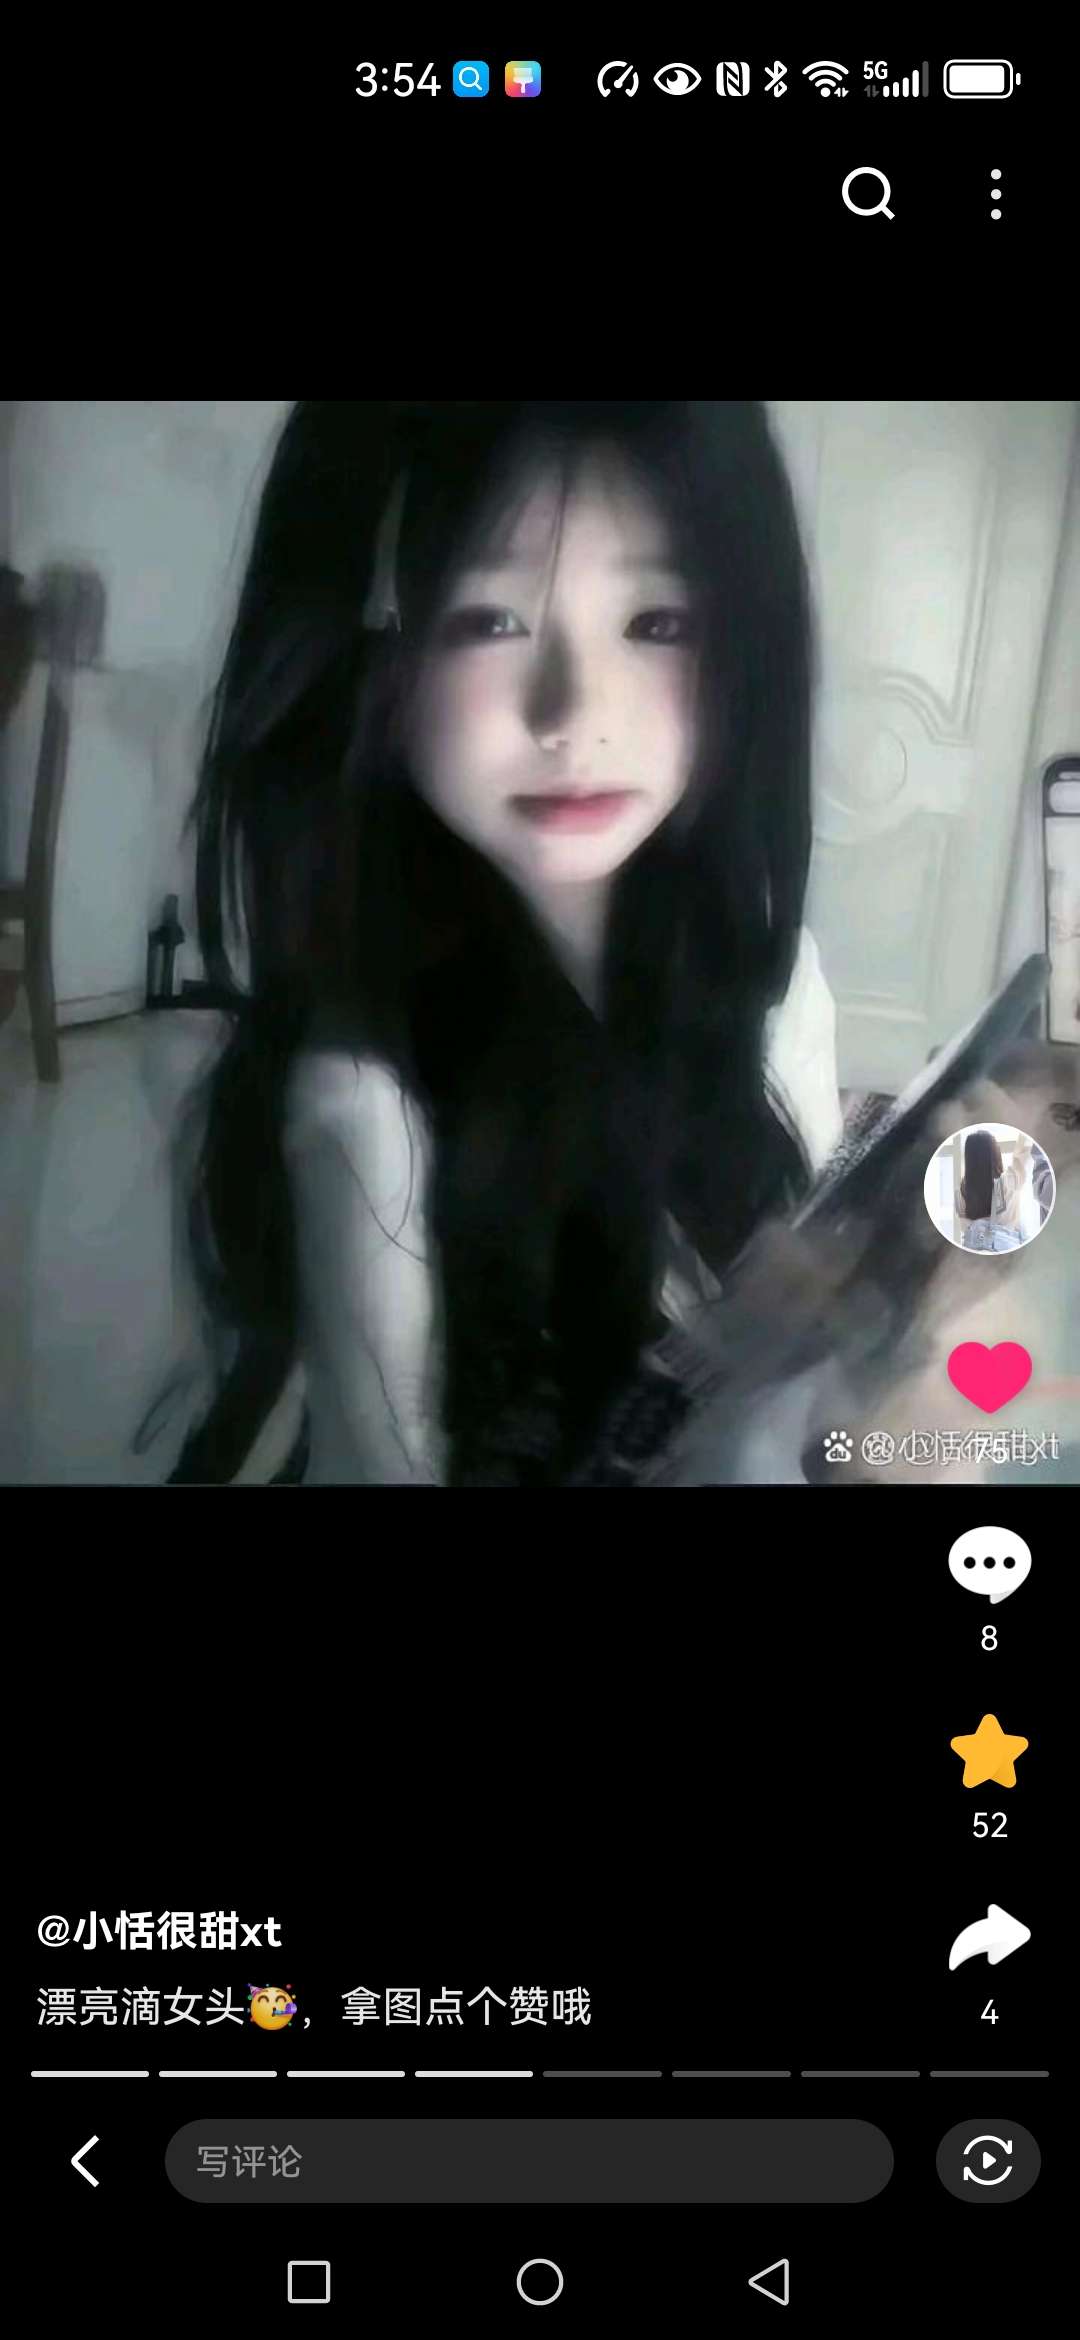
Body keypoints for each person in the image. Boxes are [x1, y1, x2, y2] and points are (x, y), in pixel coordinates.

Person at [153, 401, 849, 1486]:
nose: (574, 713)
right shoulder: (366, 1115)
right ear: (366, 654)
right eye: (486, 618)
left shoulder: (781, 984)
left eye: (657, 621)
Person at [955, 1128, 1024, 1252]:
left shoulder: (961, 1191)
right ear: (995, 1154)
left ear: (968, 1157)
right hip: (1006, 1251)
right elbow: (1023, 1154)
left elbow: (964, 1228)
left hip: (973, 1253)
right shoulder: (1009, 1180)